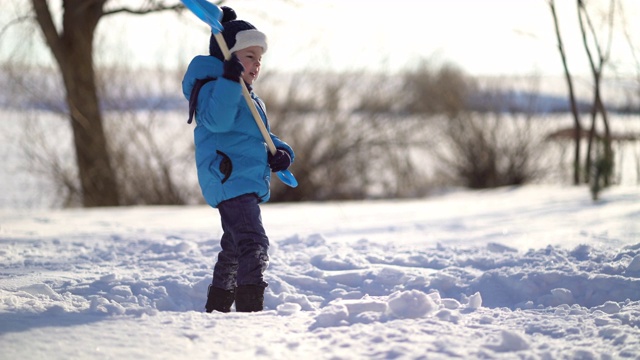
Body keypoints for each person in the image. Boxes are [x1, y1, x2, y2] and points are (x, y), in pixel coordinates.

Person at [181, 6, 294, 313]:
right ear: (228, 57)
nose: (257, 65)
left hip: (243, 178)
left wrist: (280, 153)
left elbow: (255, 136)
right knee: (253, 243)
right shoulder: (212, 87)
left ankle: (217, 306)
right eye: (249, 57)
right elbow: (216, 122)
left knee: (233, 248)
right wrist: (230, 82)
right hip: (228, 176)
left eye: (260, 59)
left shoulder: (247, 93)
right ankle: (250, 310)